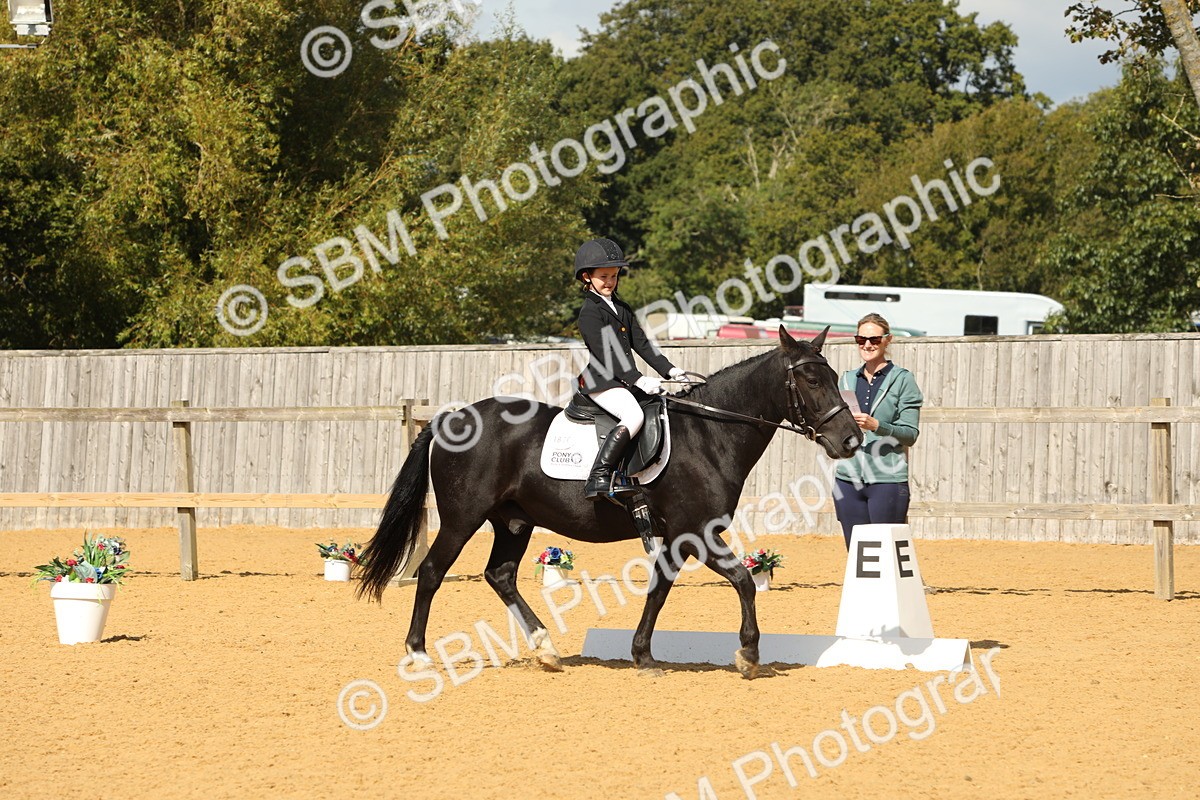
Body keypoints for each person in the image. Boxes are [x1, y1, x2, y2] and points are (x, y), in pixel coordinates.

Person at [574, 238, 686, 500]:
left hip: (622, 381)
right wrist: (638, 379)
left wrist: (670, 370)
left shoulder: (622, 308)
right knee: (634, 416)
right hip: (601, 381)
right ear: (587, 277)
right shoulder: (589, 313)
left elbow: (642, 344)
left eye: (614, 276)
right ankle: (599, 476)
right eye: (603, 277)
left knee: (659, 406)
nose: (610, 281)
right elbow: (606, 355)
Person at [832, 313, 923, 548]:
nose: (867, 345)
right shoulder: (846, 380)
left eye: (874, 339)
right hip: (847, 480)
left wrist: (877, 426)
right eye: (860, 339)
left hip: (887, 480)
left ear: (887, 340)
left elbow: (910, 434)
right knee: (856, 552)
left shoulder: (903, 380)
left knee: (886, 553)